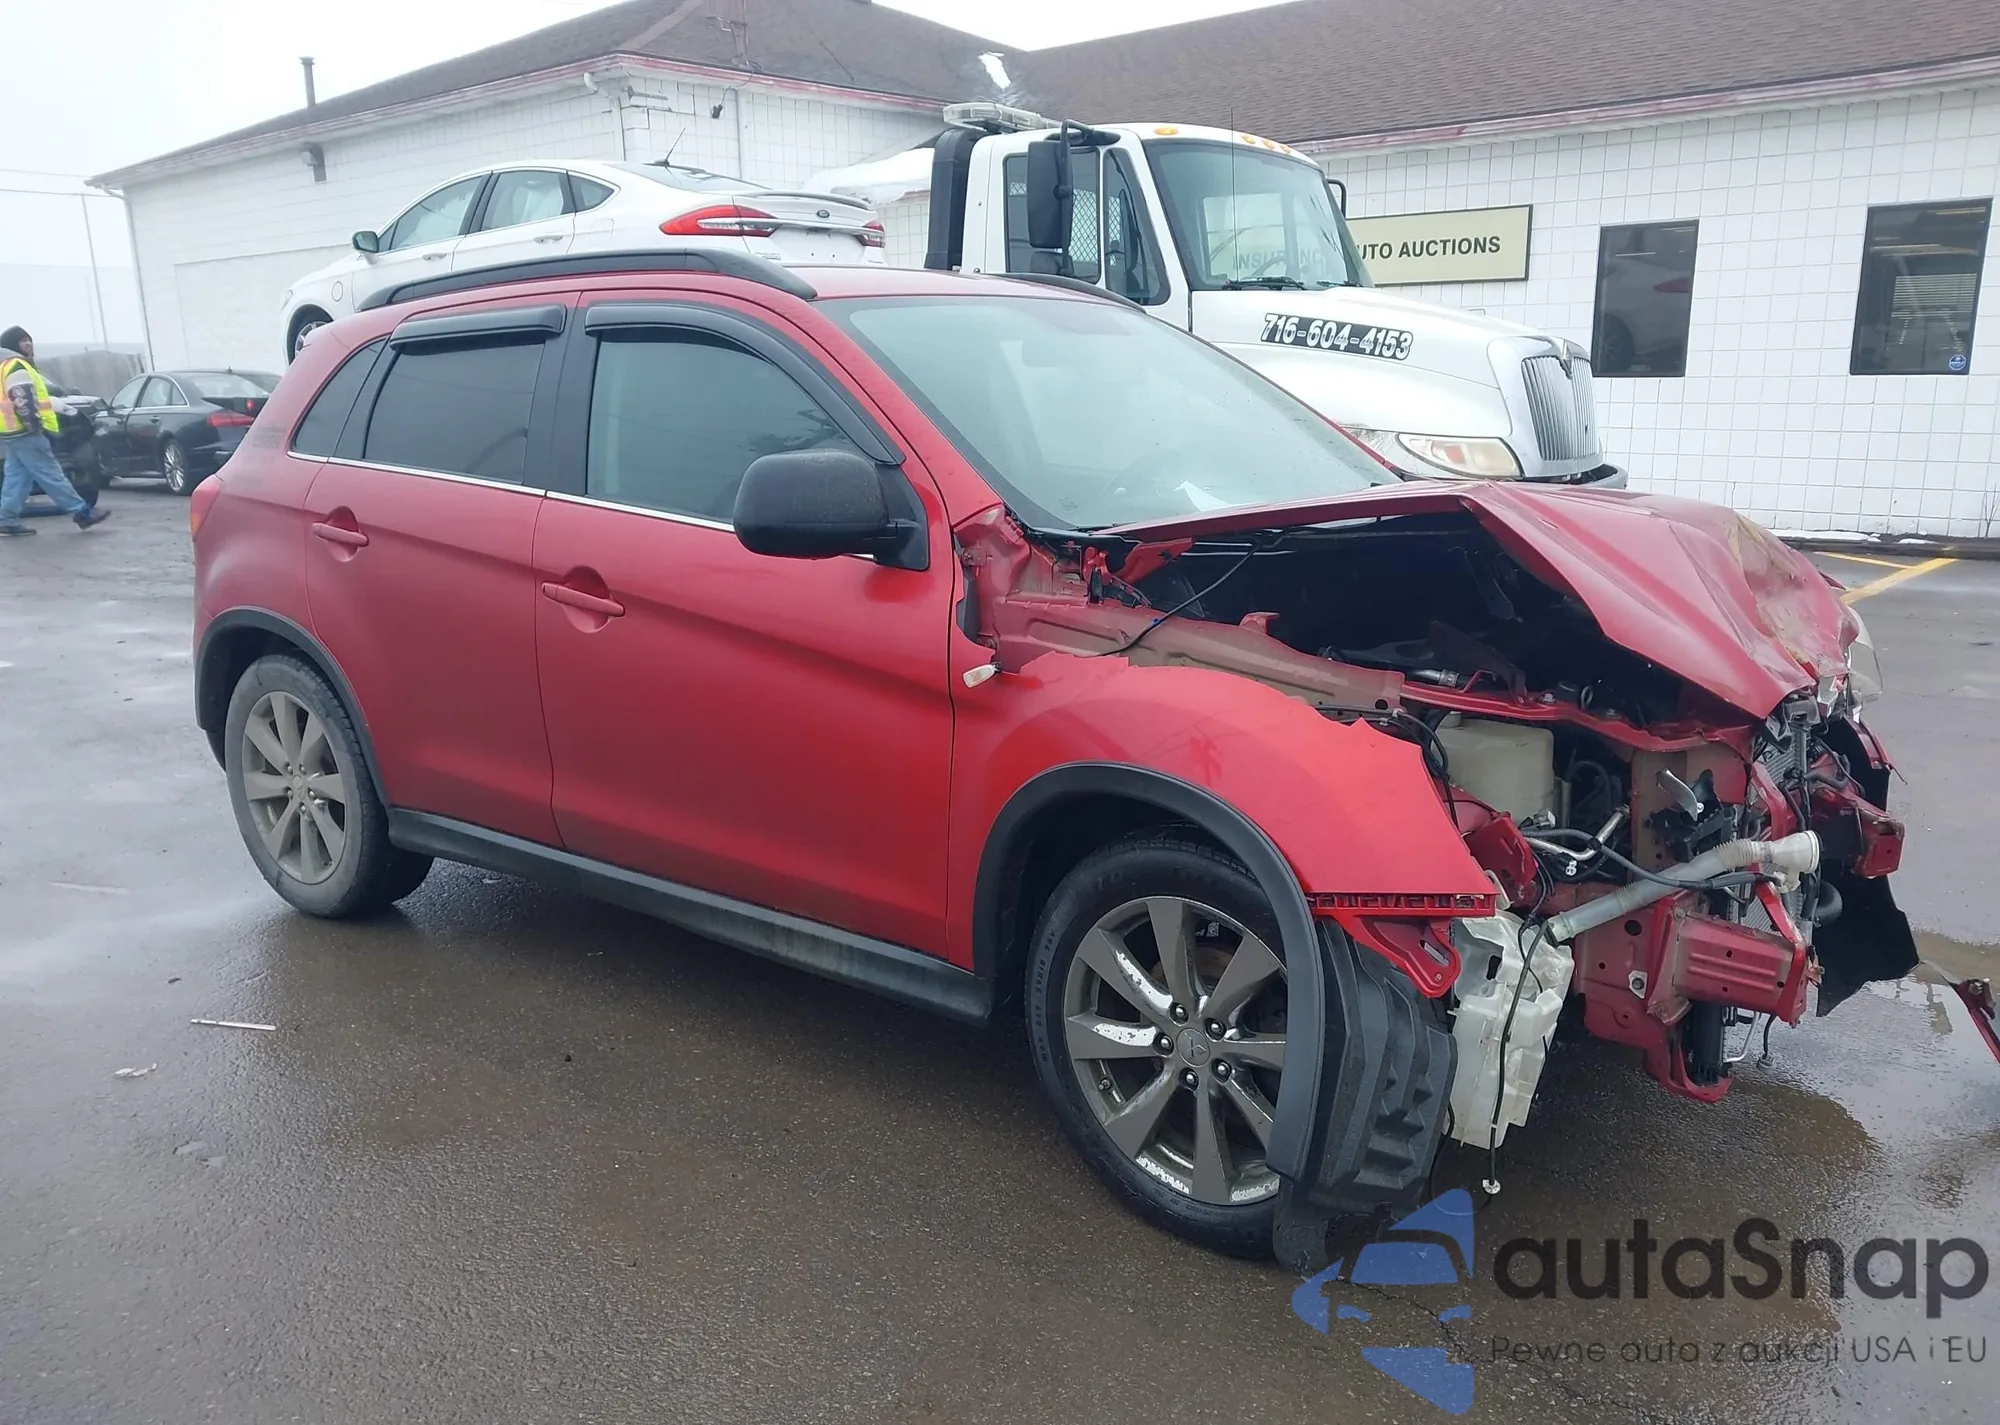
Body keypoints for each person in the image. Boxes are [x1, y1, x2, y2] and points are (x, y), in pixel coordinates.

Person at [0, 325, 111, 536]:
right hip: (26, 431)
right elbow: (22, 398)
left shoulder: (4, 366)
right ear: (12, 345)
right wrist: (33, 426)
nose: (28, 344)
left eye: (29, 339)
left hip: (12, 432)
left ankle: (6, 519)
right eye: (22, 341)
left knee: (17, 477)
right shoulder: (16, 366)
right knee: (50, 473)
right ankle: (82, 512)